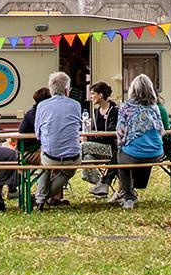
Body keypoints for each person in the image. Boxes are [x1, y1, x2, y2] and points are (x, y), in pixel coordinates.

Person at [114, 74, 165, 210]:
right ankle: (130, 190)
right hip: (157, 153)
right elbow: (161, 130)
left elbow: (120, 132)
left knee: (121, 157)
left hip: (134, 155)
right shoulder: (155, 108)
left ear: (132, 90)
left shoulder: (125, 107)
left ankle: (129, 196)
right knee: (135, 152)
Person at [33, 71, 82, 211]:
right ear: (67, 90)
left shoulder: (42, 106)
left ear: (50, 89)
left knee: (44, 165)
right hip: (73, 157)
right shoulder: (76, 105)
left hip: (50, 156)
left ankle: (40, 199)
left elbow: (38, 135)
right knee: (68, 172)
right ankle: (43, 197)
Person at [82, 81, 119, 197]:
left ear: (101, 95)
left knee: (82, 147)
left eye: (93, 94)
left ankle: (103, 184)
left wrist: (91, 137)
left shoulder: (114, 111)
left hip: (112, 149)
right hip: (99, 147)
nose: (90, 97)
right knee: (87, 158)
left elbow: (111, 135)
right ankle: (102, 185)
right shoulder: (96, 112)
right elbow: (95, 132)